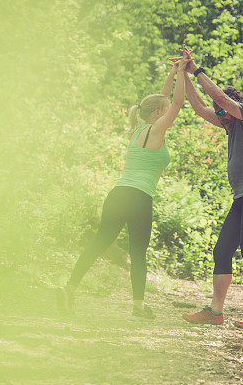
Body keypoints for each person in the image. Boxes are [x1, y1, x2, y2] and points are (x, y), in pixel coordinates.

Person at [57, 55, 189, 319]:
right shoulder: (157, 129)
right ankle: (138, 308)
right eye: (163, 110)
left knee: (97, 244)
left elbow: (162, 99)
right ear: (157, 114)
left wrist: (173, 72)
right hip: (139, 199)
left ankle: (69, 289)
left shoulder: (139, 127)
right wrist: (184, 72)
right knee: (138, 254)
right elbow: (176, 102)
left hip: (117, 195)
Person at [175, 46, 243, 328]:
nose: (219, 116)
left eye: (223, 112)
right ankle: (215, 311)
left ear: (235, 108)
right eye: (219, 114)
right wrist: (183, 74)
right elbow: (199, 107)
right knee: (222, 251)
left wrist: (196, 68)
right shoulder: (229, 125)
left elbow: (217, 96)